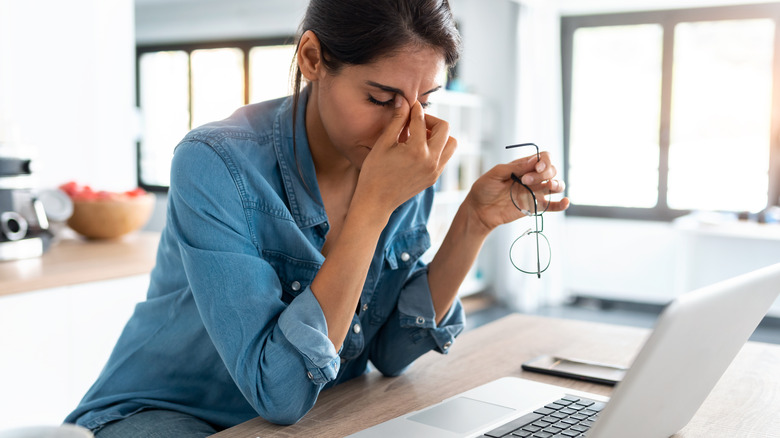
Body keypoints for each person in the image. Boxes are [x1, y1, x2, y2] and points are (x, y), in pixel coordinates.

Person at [64, 0, 569, 436]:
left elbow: (391, 352)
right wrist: (372, 208)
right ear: (311, 58)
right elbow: (278, 391)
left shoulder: (399, 158)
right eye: (380, 98)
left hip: (308, 415)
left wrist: (473, 222)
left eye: (426, 100)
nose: (407, 127)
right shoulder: (214, 161)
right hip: (166, 412)